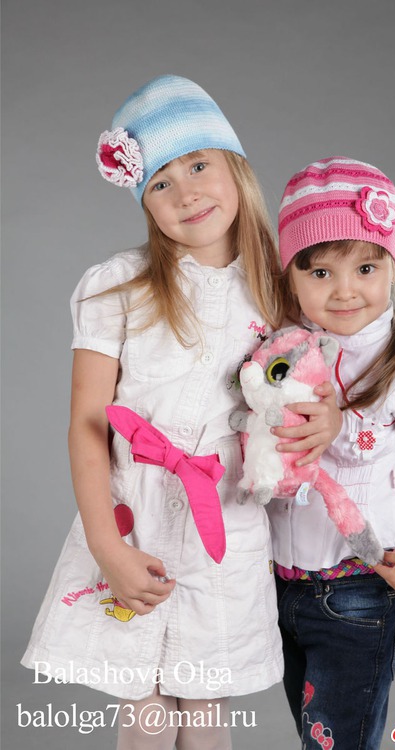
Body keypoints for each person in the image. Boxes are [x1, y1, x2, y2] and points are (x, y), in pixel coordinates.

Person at [21, 76, 338, 750]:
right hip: (131, 518)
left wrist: (329, 416)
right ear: (144, 201)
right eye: (160, 182)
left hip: (224, 524)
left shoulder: (281, 292)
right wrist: (107, 545)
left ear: (236, 167)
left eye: (198, 165)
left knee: (204, 710)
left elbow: (318, 379)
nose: (186, 192)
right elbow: (87, 421)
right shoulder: (118, 286)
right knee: (145, 712)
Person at [267, 156, 395, 750]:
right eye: (320, 272)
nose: (345, 290)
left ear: (391, 266)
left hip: (359, 590)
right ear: (291, 277)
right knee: (314, 732)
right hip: (279, 585)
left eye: (365, 266)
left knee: (339, 741)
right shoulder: (278, 356)